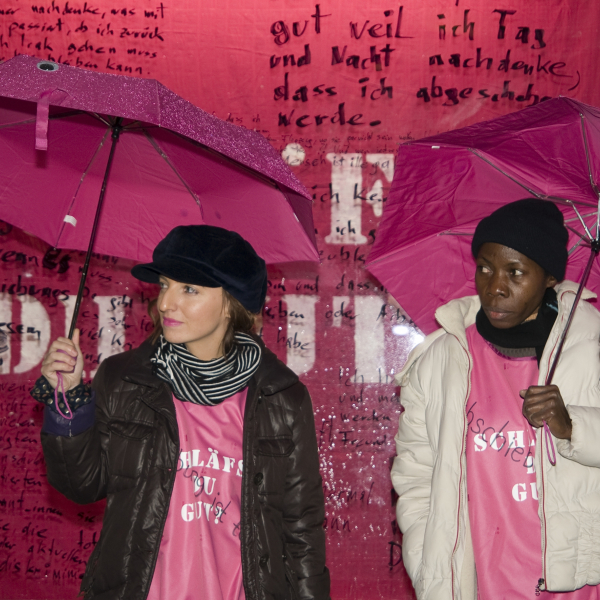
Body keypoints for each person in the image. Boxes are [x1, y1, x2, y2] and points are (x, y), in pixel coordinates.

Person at [31, 225, 330, 600]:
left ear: (230, 303)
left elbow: (301, 527)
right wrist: (68, 399)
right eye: (165, 285)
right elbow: (79, 486)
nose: (166, 303)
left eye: (189, 289)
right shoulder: (125, 379)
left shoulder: (282, 397)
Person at [391, 199, 600, 600]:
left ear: (550, 278)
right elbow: (416, 476)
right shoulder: (442, 361)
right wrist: (429, 566)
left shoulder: (590, 348)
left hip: (578, 586)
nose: (495, 286)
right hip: (482, 585)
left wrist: (572, 425)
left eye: (516, 272)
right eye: (485, 268)